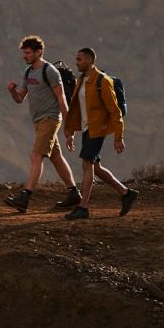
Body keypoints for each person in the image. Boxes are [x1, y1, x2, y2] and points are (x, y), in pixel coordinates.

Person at [3, 35, 81, 213]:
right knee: (55, 157)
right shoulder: (28, 72)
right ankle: (74, 194)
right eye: (24, 53)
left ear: (39, 52)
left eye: (28, 53)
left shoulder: (50, 71)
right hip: (38, 121)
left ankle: (25, 197)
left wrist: (69, 128)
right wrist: (12, 91)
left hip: (51, 119)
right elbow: (20, 98)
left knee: (36, 156)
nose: (25, 56)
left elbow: (62, 100)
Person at [62, 47, 139, 219]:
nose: (76, 62)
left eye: (79, 59)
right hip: (87, 128)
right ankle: (126, 193)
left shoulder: (103, 81)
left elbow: (115, 111)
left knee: (87, 164)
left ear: (89, 60)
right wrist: (70, 132)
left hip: (98, 129)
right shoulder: (81, 80)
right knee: (95, 167)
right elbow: (76, 109)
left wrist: (119, 137)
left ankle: (83, 207)